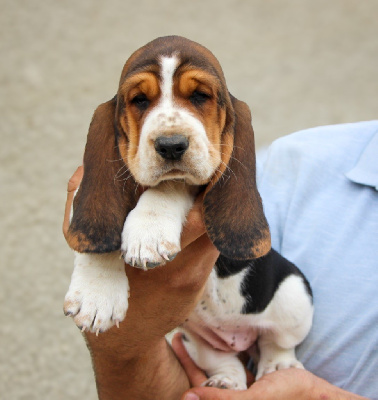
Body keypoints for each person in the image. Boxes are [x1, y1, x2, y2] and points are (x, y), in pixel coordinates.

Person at [63, 121, 377, 400]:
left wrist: (317, 395)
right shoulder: (292, 158)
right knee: (202, 348)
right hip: (203, 334)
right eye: (141, 103)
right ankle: (228, 372)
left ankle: (276, 349)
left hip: (261, 310)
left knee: (291, 297)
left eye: (198, 96)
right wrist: (122, 331)